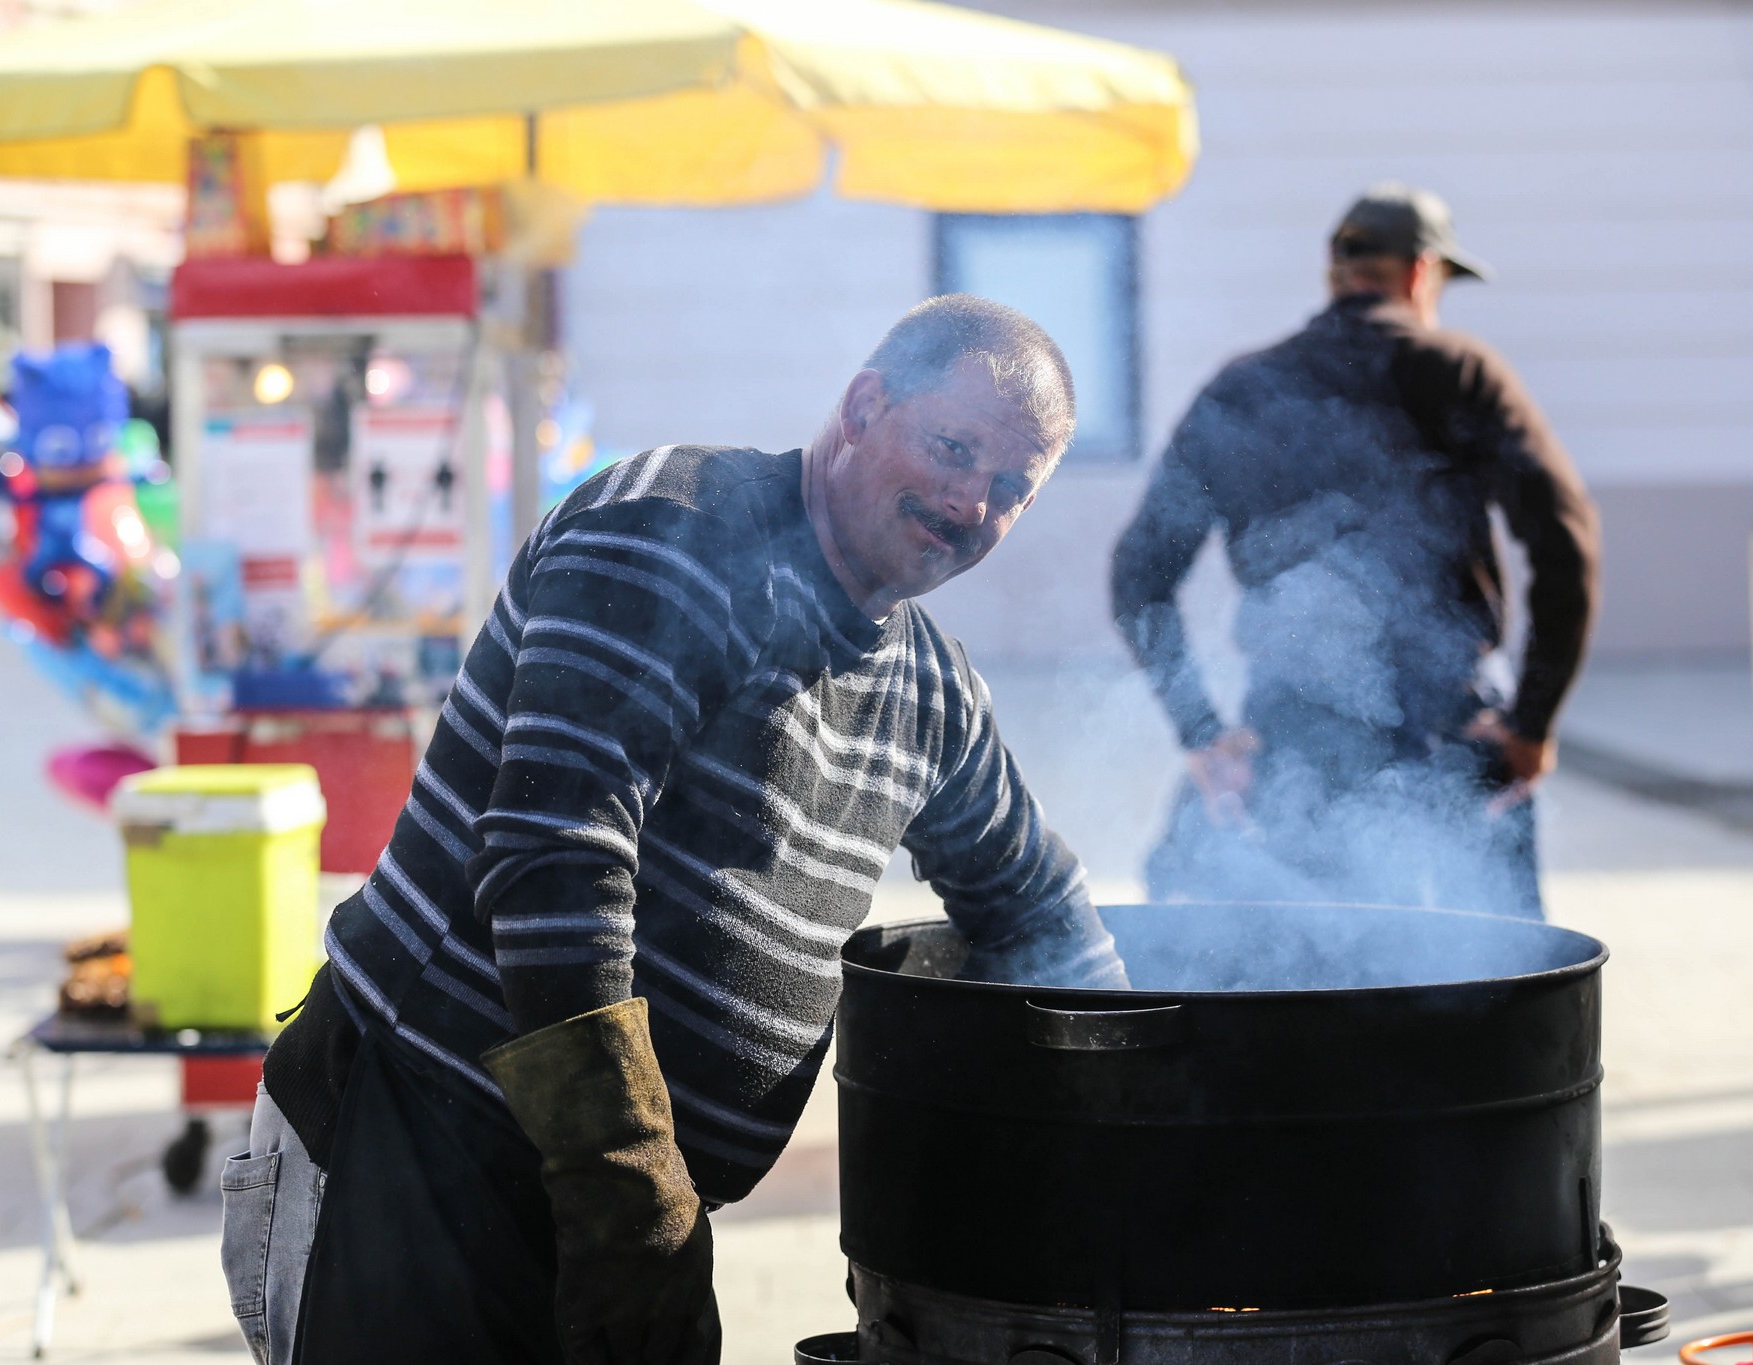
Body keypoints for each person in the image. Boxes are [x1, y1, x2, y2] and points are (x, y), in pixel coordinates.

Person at [223, 295, 1129, 1365]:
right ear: (862, 404)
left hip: (631, 1201)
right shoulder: (673, 528)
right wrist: (624, 1181)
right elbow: (558, 857)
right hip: (421, 1134)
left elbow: (1029, 902)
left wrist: (1137, 1100)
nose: (968, 501)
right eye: (951, 448)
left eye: (1010, 489)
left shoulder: (931, 690)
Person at [1110, 183, 1600, 920]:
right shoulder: (1462, 373)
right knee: (1492, 988)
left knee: (1319, 986)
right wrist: (1531, 723)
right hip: (1453, 744)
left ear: (1337, 276)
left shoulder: (1242, 389)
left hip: (1292, 744)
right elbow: (1566, 544)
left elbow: (1139, 576)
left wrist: (1206, 734)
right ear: (1420, 274)